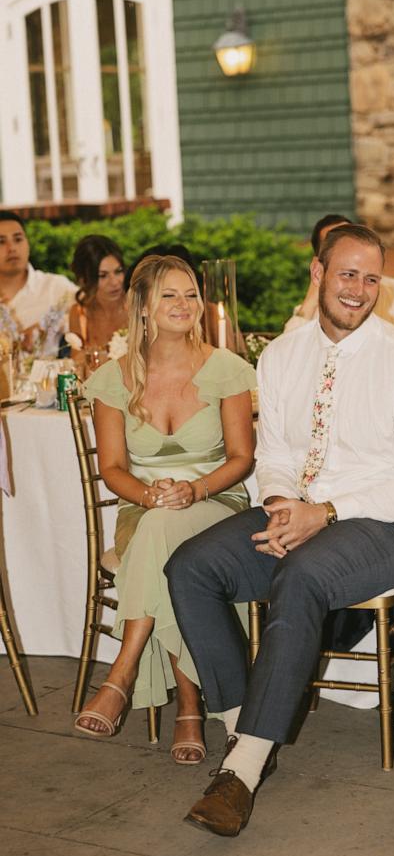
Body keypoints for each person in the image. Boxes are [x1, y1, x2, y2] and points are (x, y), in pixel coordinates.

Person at [165, 223, 394, 835]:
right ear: (318, 273)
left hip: (384, 528)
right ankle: (249, 727)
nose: (360, 290)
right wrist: (278, 503)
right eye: (347, 274)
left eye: (372, 278)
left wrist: (326, 512)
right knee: (191, 567)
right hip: (295, 512)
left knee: (299, 577)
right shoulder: (279, 355)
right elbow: (272, 453)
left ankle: (239, 772)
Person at [74, 255, 256, 765]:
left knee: (169, 530)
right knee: (162, 531)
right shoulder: (112, 379)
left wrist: (195, 490)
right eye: (170, 295)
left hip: (218, 502)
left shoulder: (228, 369)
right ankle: (190, 707)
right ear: (143, 307)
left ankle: (123, 671)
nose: (184, 304)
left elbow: (242, 459)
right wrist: (150, 495)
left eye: (191, 294)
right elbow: (112, 468)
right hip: (143, 505)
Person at [284, 213, 394, 359]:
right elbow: (287, 360)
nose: (358, 290)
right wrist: (310, 300)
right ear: (319, 265)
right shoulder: (311, 315)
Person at [0, 211, 75, 351]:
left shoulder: (55, 287)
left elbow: (94, 312)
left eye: (18, 239)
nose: (12, 248)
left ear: (28, 243)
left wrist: (50, 325)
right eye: (1, 242)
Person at [68, 235, 128, 366]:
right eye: (103, 275)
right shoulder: (79, 315)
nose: (115, 282)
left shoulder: (138, 307)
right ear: (84, 279)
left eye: (118, 271)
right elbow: (77, 367)